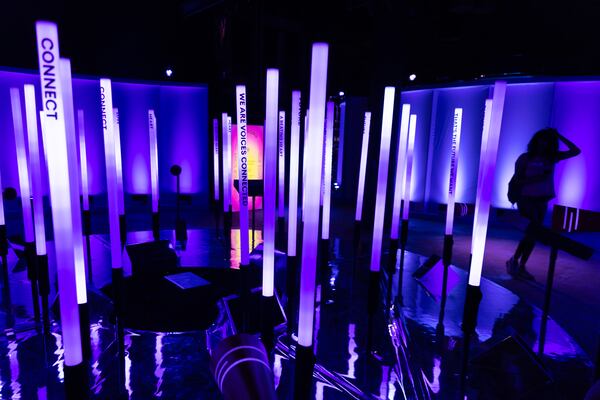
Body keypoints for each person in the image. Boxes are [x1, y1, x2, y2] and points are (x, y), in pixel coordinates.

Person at [506, 128, 580, 279]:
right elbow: (518, 180)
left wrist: (558, 135)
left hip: (542, 199)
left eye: (547, 140)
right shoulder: (525, 158)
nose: (544, 143)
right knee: (531, 232)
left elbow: (575, 151)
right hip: (526, 199)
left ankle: (518, 264)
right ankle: (516, 263)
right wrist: (538, 178)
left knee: (533, 234)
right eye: (541, 139)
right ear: (536, 140)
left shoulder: (551, 158)